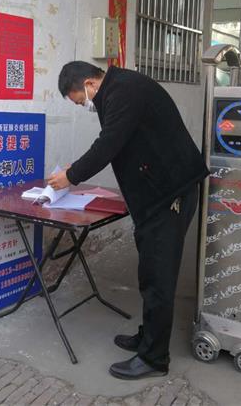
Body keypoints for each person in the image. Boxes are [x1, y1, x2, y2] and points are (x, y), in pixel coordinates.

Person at [48, 61, 208, 380]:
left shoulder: (125, 92)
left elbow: (108, 144)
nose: (85, 107)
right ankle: (148, 336)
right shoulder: (119, 90)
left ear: (90, 84)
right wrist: (73, 170)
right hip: (156, 195)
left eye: (81, 101)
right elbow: (120, 143)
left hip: (169, 194)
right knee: (149, 271)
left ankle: (154, 358)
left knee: (159, 277)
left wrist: (72, 176)